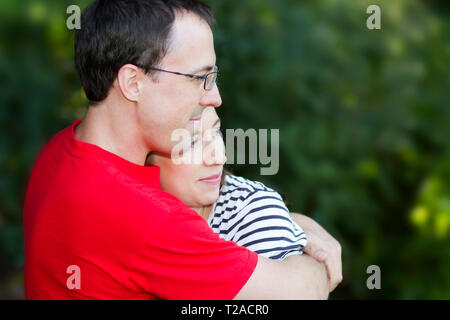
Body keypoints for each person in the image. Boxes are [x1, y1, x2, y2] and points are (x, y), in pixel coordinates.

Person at [24, 0, 342, 299]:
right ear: (132, 83)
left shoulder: (61, 150)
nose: (214, 97)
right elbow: (300, 293)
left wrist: (293, 221)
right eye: (199, 77)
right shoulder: (142, 219)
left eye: (213, 77)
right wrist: (316, 250)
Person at [148, 107, 308, 260]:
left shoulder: (253, 214)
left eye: (216, 131)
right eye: (192, 142)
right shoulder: (130, 222)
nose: (219, 158)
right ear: (145, 153)